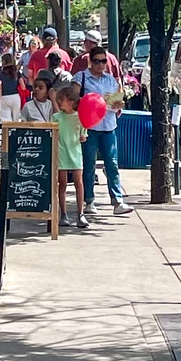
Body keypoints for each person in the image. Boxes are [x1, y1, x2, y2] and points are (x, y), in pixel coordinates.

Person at [78, 46, 134, 217]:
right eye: (97, 61)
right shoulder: (81, 78)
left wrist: (118, 103)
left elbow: (117, 97)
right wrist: (89, 103)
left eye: (104, 61)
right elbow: (74, 98)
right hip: (90, 127)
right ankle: (89, 200)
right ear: (90, 61)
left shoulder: (110, 80)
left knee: (112, 163)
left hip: (108, 126)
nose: (101, 65)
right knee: (89, 164)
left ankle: (117, 200)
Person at [53, 81, 89, 229]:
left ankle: (80, 213)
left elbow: (83, 135)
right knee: (62, 184)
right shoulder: (56, 117)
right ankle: (63, 213)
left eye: (62, 100)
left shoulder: (80, 117)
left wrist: (82, 136)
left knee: (78, 183)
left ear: (71, 102)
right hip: (61, 152)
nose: (60, 102)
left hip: (75, 152)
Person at [0, 53, 24, 122]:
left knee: (5, 120)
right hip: (16, 97)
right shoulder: (17, 72)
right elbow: (23, 87)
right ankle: (14, 132)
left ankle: (6, 132)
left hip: (5, 97)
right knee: (15, 120)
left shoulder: (1, 72)